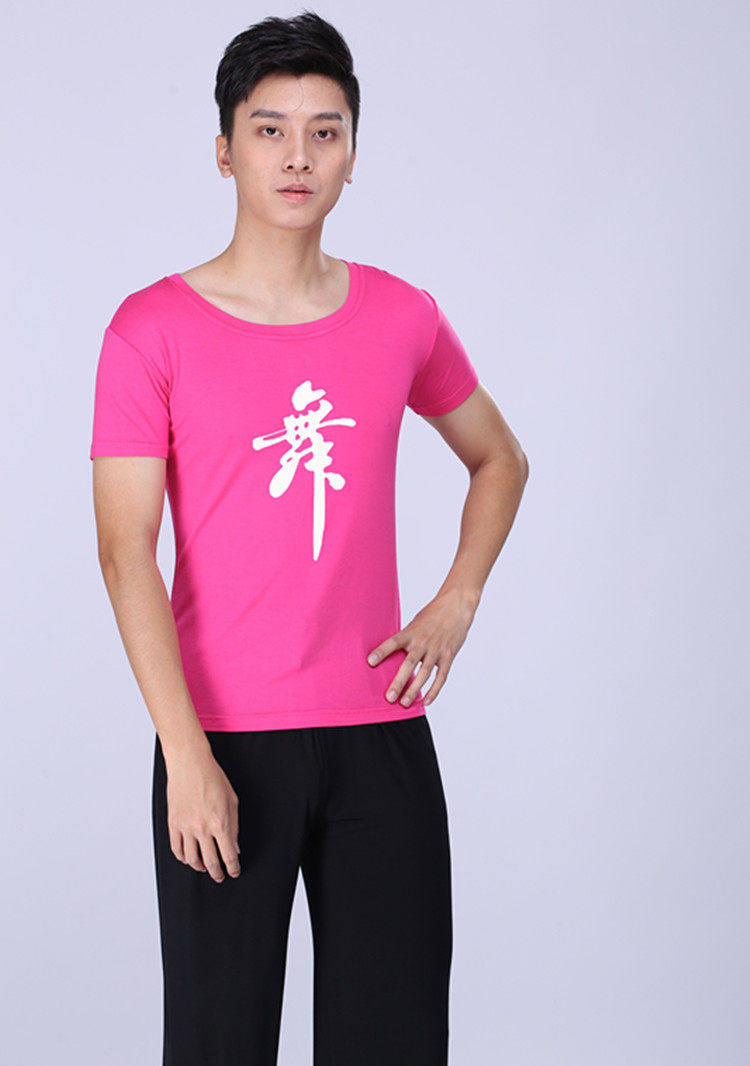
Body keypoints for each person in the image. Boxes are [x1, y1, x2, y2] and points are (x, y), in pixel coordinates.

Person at [89, 10, 528, 1066]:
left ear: (352, 154)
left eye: (325, 132)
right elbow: (124, 551)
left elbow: (500, 459)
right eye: (270, 129)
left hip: (380, 737)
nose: (298, 156)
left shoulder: (402, 315)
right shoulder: (150, 330)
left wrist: (457, 599)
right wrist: (185, 755)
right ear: (224, 149)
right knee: (218, 1043)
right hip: (222, 739)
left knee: (396, 1041)